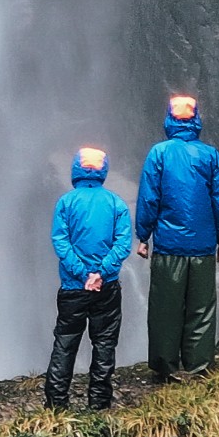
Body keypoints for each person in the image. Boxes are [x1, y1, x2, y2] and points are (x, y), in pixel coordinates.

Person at [133, 94, 219, 380]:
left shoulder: (159, 153)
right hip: (202, 246)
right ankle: (198, 365)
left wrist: (144, 236)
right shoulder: (211, 155)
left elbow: (149, 198)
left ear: (169, 118)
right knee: (200, 308)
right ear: (196, 119)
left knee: (166, 307)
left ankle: (166, 367)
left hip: (168, 246)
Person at [46, 146, 132, 410]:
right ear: (103, 170)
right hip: (105, 287)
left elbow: (60, 242)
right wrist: (100, 273)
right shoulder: (116, 203)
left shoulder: (66, 202)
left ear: (76, 168)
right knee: (104, 342)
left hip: (73, 287)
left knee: (66, 341)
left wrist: (83, 274)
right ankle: (99, 403)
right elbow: (123, 244)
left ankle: (57, 403)